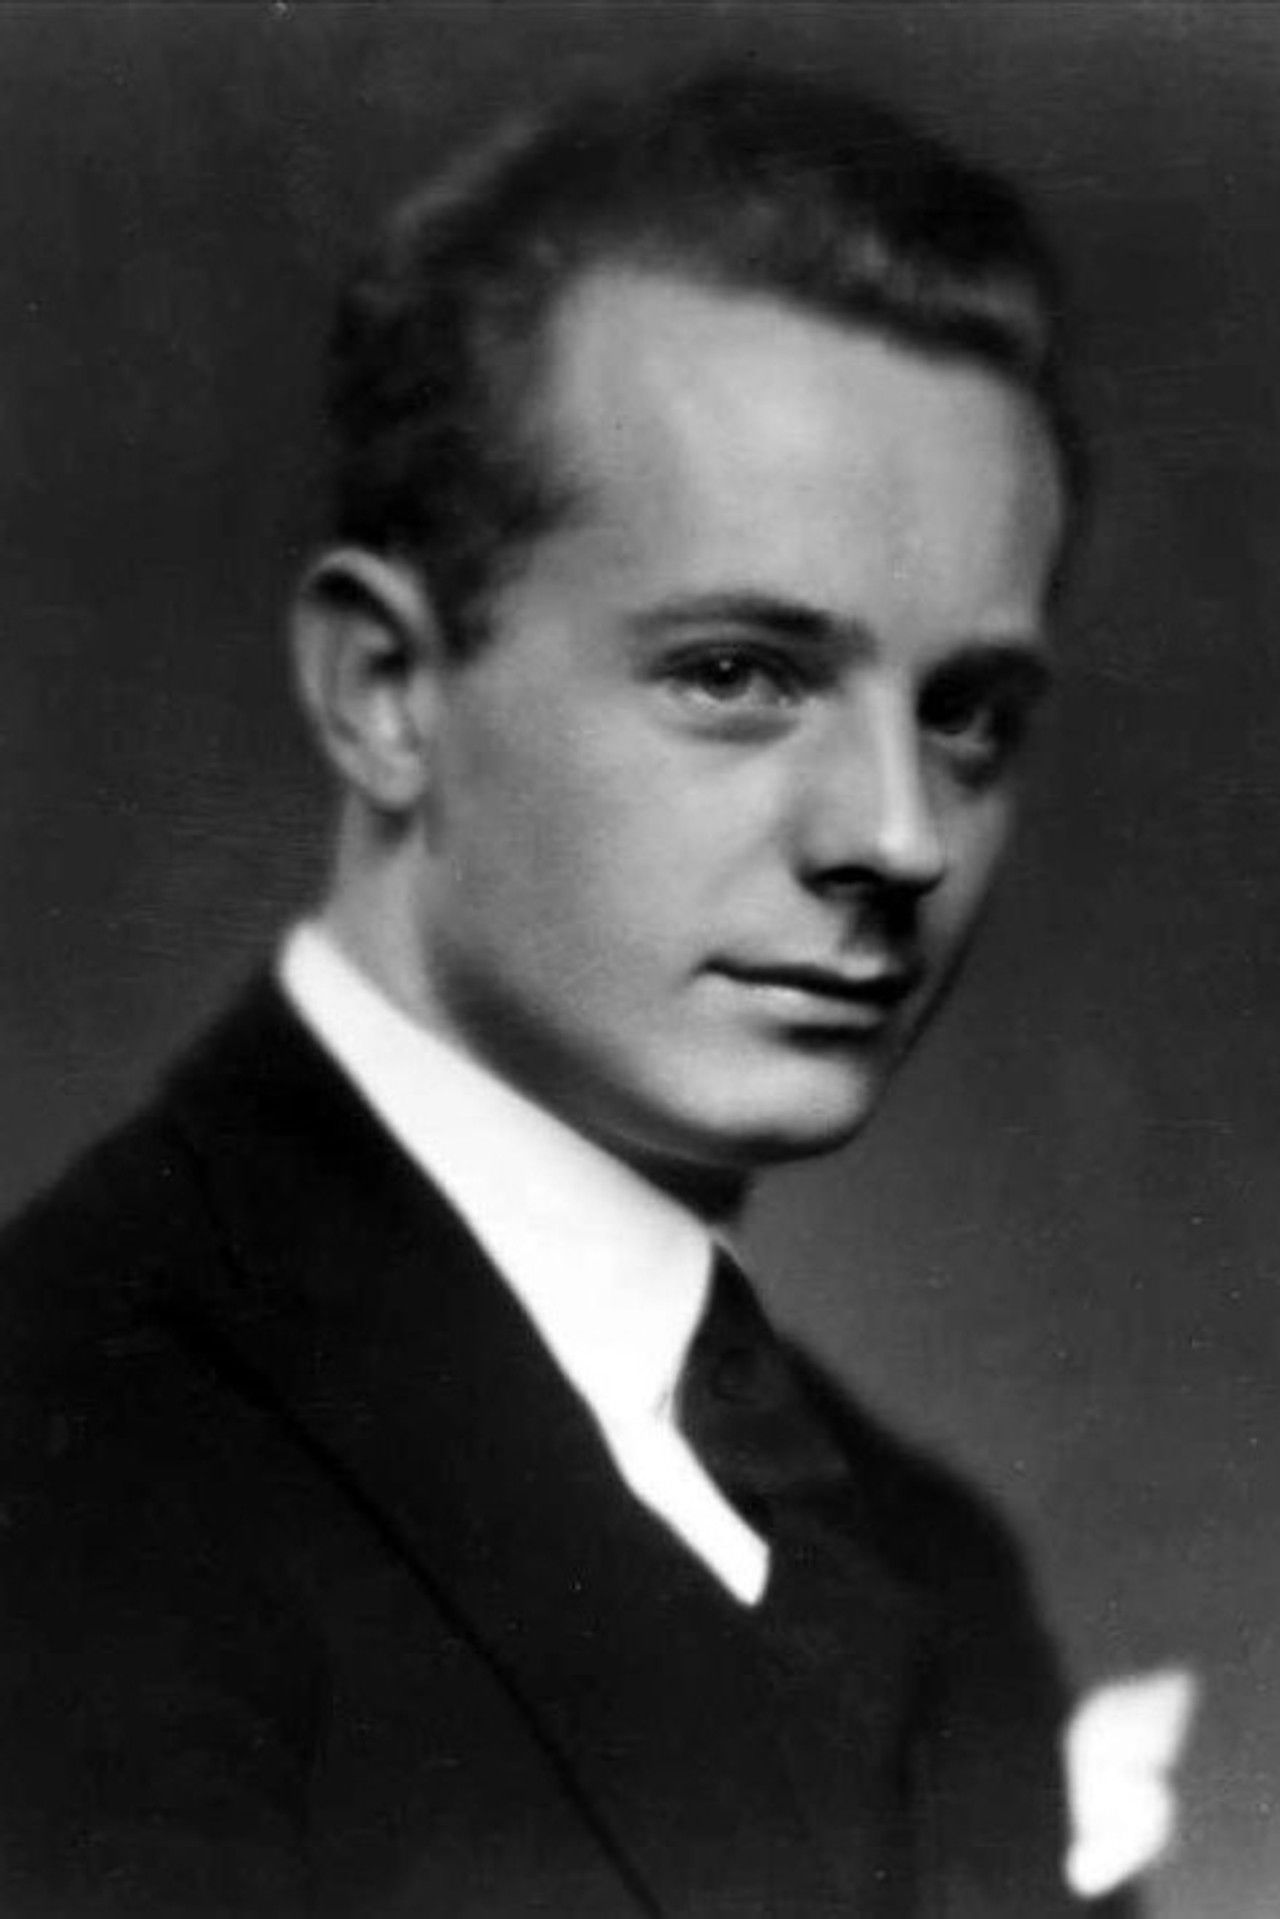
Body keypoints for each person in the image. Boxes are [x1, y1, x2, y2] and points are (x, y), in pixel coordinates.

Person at [0, 60, 1123, 1917]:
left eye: (970, 714)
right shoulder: (66, 1471)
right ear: (386, 691)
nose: (901, 835)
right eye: (739, 673)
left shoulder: (934, 1563)